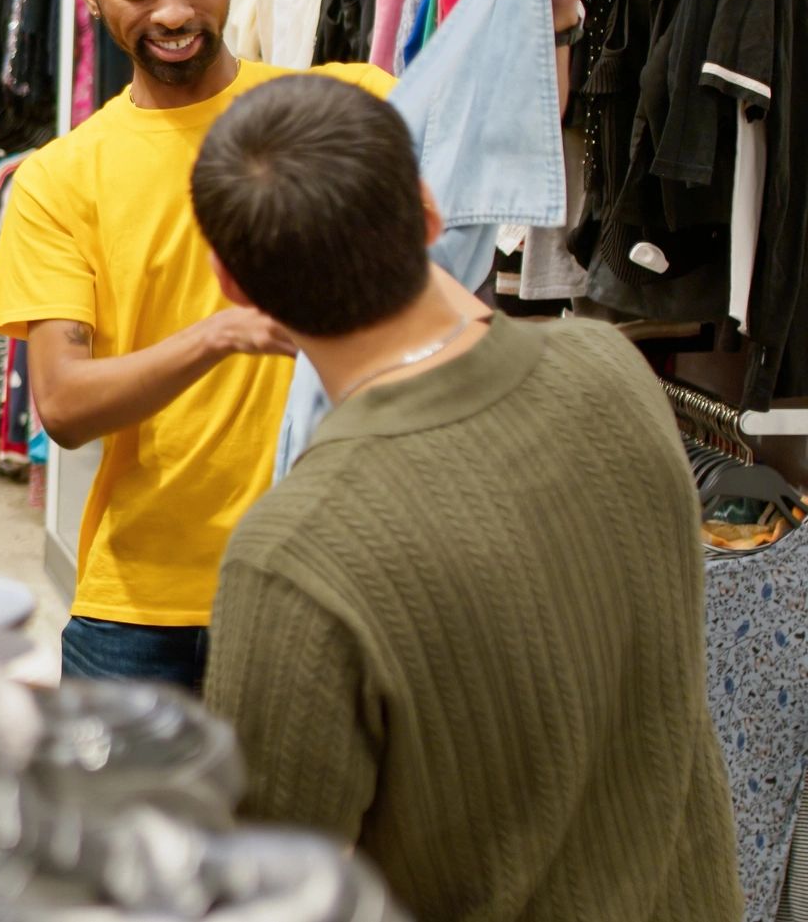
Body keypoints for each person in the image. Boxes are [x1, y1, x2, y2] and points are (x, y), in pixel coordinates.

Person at [0, 0, 640, 689]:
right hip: (147, 608)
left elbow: (482, 159)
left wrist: (554, 7)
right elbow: (65, 406)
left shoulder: (336, 107)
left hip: (332, 579)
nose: (176, 10)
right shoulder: (59, 177)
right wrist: (219, 335)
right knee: (124, 825)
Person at [191, 74, 742, 921]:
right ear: (427, 211)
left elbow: (267, 887)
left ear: (234, 286)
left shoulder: (298, 551)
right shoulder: (613, 371)